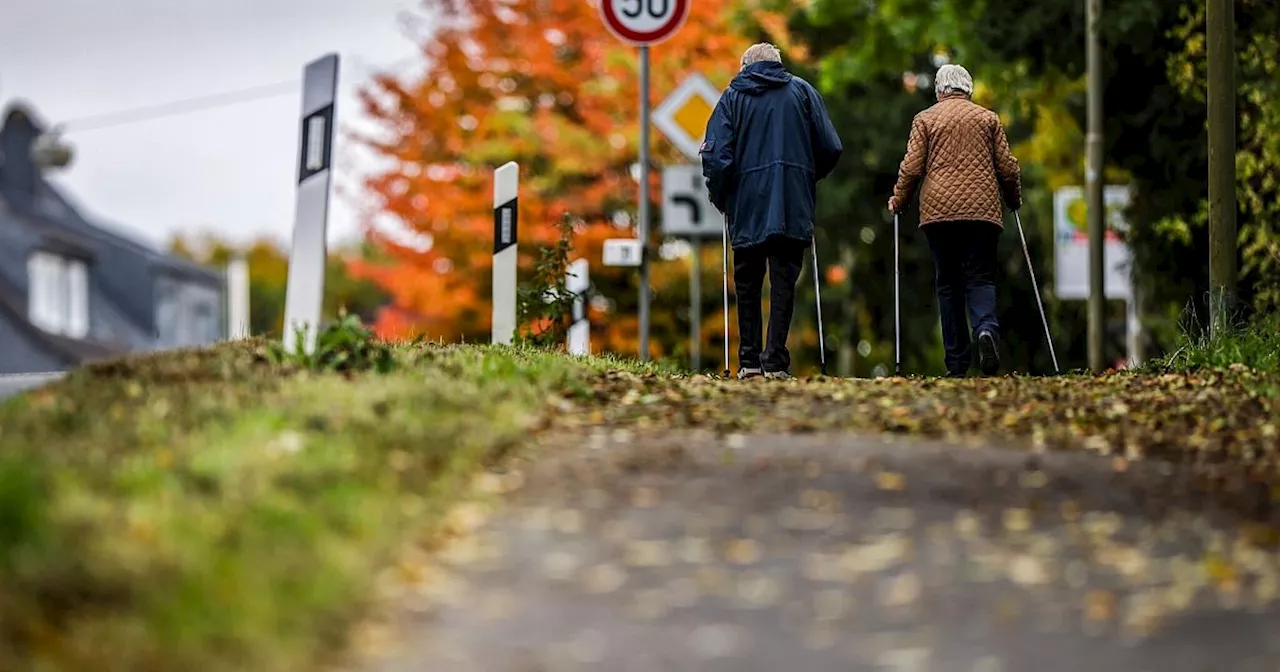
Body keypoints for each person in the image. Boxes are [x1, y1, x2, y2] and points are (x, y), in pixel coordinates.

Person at [701, 43, 843, 380]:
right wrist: (805, 175)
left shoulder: (732, 98)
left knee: (748, 283)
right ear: (778, 64)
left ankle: (749, 362)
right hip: (792, 200)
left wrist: (720, 196)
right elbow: (831, 146)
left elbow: (717, 156)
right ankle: (776, 362)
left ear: (745, 66)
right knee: (784, 283)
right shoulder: (803, 92)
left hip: (746, 203)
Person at [888, 64, 1022, 377]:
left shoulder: (925, 119)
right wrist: (1013, 200)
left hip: (938, 214)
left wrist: (899, 200)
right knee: (980, 277)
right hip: (982, 212)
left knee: (948, 284)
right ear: (968, 90)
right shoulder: (988, 118)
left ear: (939, 91)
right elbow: (1008, 168)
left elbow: (911, 169)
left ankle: (957, 364)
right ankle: (986, 330)